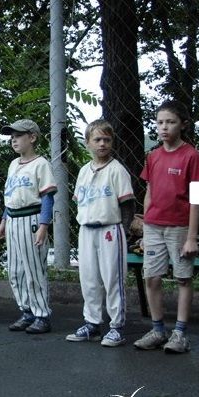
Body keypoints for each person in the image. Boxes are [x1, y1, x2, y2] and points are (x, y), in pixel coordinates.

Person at [133, 101, 199, 354]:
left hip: (179, 228)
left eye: (170, 122)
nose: (164, 127)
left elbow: (198, 198)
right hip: (154, 226)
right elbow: (149, 192)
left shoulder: (191, 156)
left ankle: (180, 333)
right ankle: (158, 330)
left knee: (183, 278)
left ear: (183, 125)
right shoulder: (153, 156)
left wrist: (192, 237)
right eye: (160, 122)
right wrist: (145, 227)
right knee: (151, 277)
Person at [66, 120, 134, 347]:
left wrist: (124, 231)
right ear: (87, 143)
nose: (102, 144)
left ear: (112, 142)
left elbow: (127, 204)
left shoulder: (117, 170)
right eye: (97, 139)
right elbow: (80, 201)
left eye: (107, 139)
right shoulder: (84, 171)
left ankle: (117, 327)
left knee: (113, 279)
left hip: (110, 229)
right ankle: (92, 323)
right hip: (87, 229)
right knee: (89, 279)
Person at [0, 119, 57, 334]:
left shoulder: (41, 164)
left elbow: (47, 197)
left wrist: (44, 225)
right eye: (12, 137)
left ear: (32, 137)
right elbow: (10, 197)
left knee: (34, 270)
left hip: (32, 218)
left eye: (18, 136)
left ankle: (42, 315)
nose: (14, 140)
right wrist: (3, 221)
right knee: (15, 270)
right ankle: (27, 311)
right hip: (13, 218)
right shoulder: (14, 164)